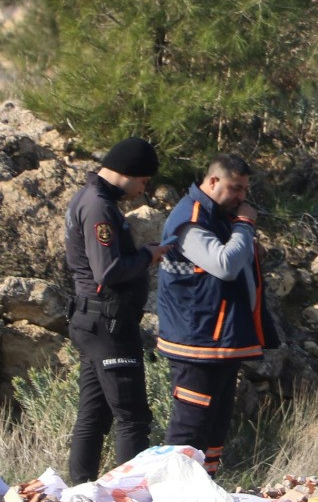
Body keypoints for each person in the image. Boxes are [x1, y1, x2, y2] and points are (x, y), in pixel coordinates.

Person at [156, 153, 280, 474]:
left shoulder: (220, 215)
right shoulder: (191, 218)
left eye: (245, 190)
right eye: (235, 188)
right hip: (197, 344)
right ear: (213, 181)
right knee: (189, 430)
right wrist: (245, 226)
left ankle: (204, 492)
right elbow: (224, 265)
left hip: (221, 342)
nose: (242, 197)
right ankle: (172, 494)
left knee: (214, 431)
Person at [64, 136, 168, 484]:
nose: (142, 190)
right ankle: (129, 498)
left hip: (94, 320)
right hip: (108, 324)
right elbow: (107, 271)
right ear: (129, 171)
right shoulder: (99, 206)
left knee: (94, 414)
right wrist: (147, 256)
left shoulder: (93, 199)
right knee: (133, 417)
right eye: (143, 181)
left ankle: (80, 493)